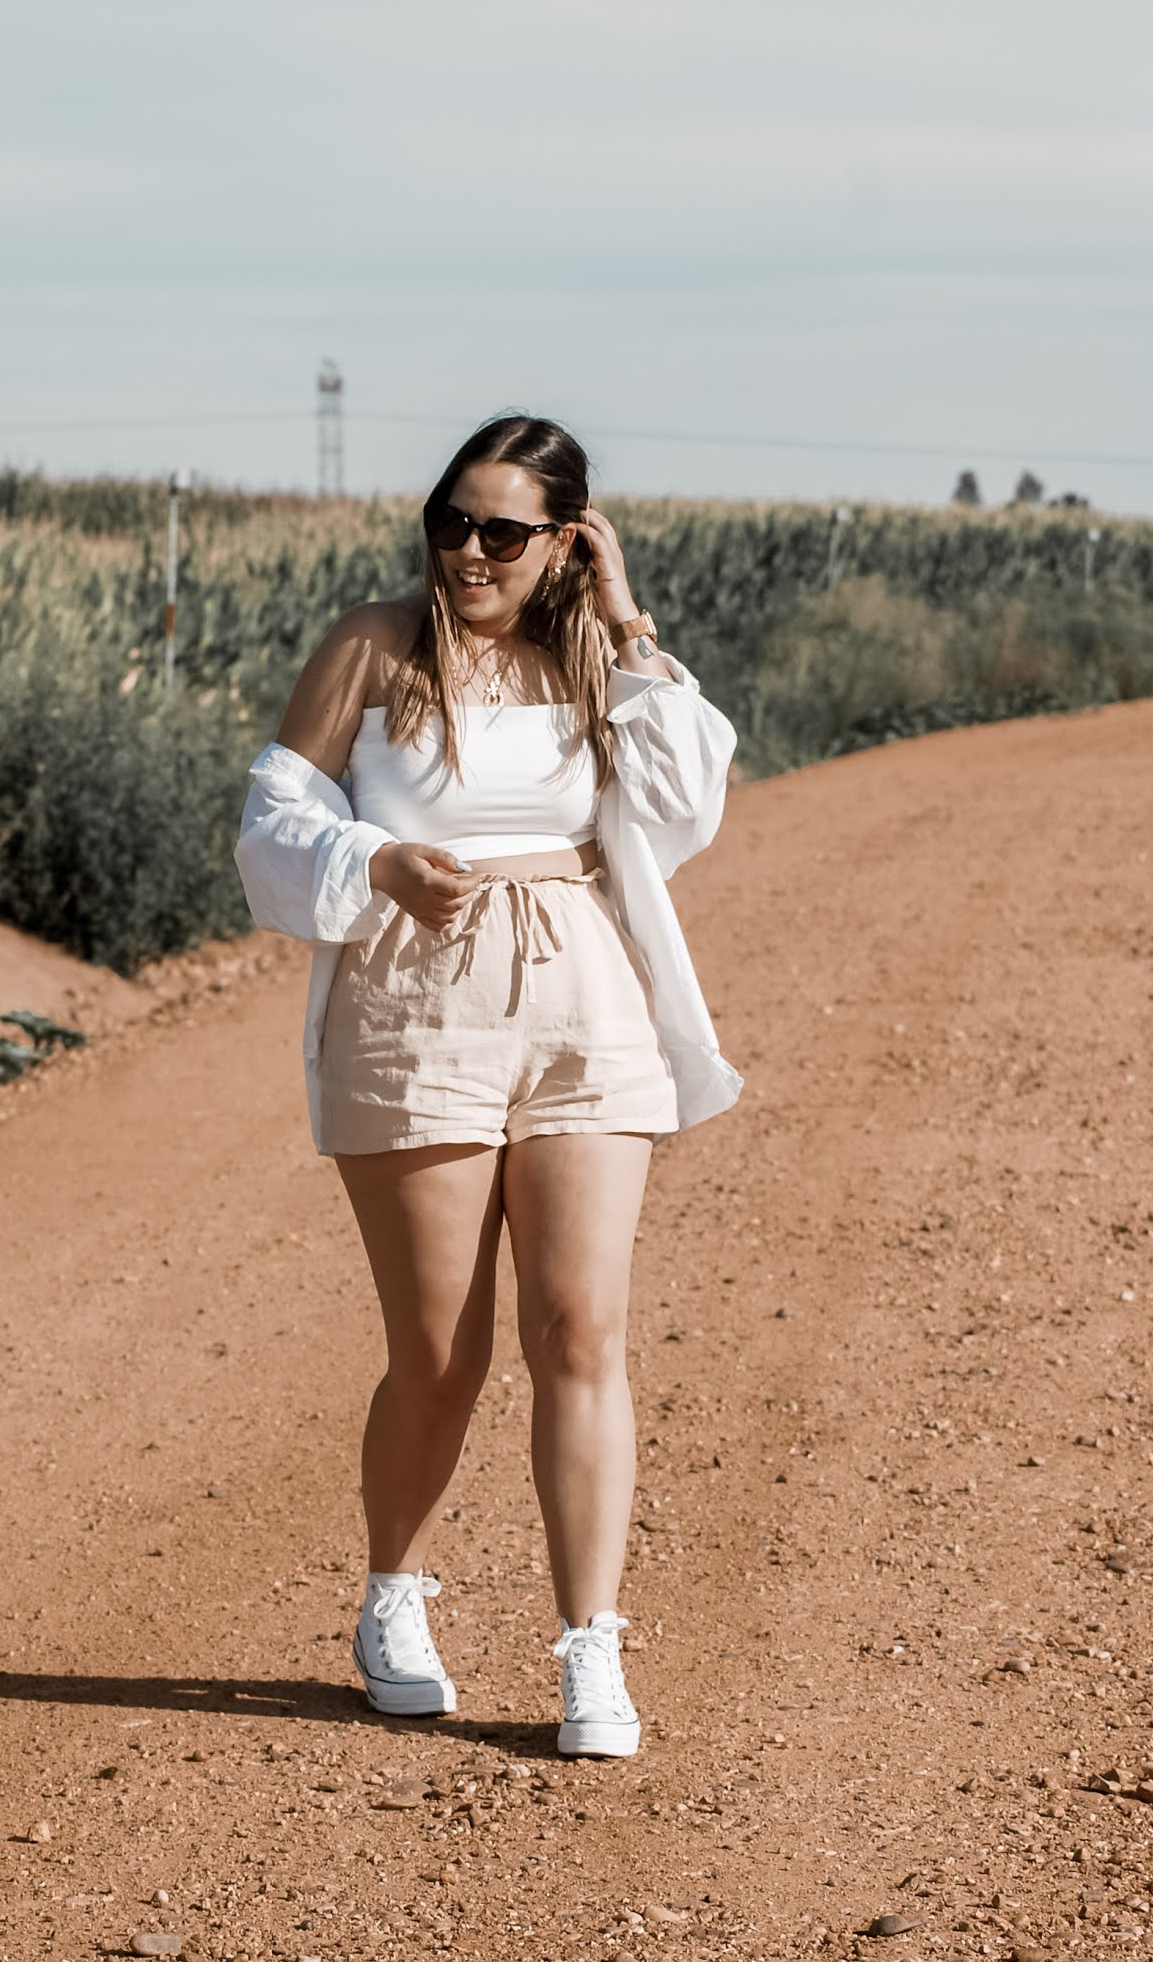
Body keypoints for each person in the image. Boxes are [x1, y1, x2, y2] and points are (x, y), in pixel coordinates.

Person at [234, 413, 742, 1757]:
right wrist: (374, 863)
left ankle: (591, 1654)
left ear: (563, 539)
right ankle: (393, 1595)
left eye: (504, 530)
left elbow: (693, 795)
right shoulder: (373, 643)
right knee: (441, 1355)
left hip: (581, 986)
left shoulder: (594, 656)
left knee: (580, 1328)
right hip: (413, 992)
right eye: (450, 521)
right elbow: (271, 826)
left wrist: (625, 620)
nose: (468, 549)